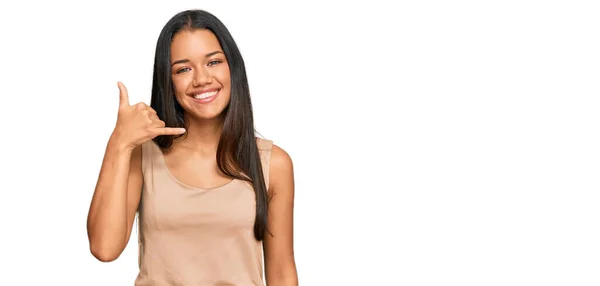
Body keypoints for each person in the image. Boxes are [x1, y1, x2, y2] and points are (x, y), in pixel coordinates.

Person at [86, 9, 298, 285]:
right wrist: (119, 142)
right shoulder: (143, 154)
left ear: (232, 67)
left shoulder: (273, 163)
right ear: (168, 81)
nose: (201, 79)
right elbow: (104, 248)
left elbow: (282, 272)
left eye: (213, 62)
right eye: (183, 69)